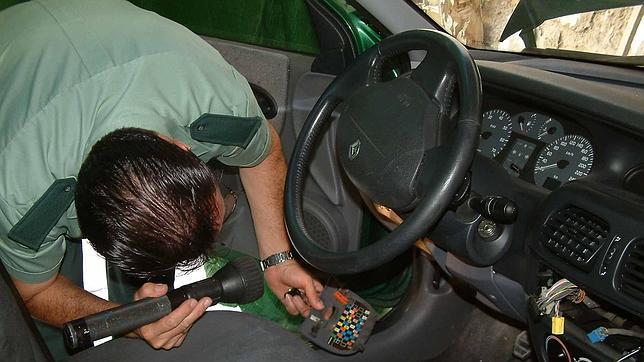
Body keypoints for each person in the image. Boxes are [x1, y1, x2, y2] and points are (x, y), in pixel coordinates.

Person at [0, 0, 324, 358]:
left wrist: (278, 259)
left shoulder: (214, 97)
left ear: (184, 148)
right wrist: (125, 320)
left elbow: (261, 153)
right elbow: (32, 291)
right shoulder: (21, 196)